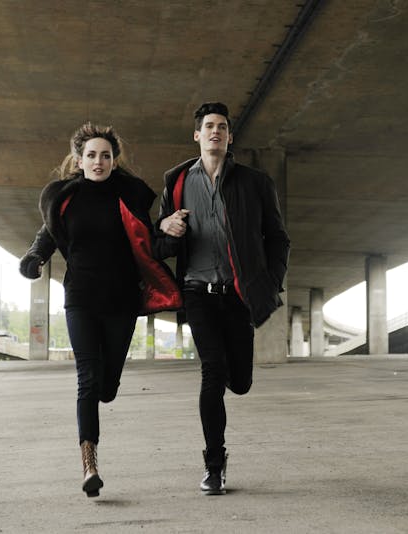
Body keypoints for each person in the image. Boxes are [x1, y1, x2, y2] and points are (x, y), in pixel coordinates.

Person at [19, 123, 182, 498]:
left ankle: (103, 401)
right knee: (88, 380)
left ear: (114, 159)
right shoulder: (65, 198)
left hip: (122, 302)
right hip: (80, 299)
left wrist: (170, 234)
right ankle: (89, 463)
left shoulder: (128, 196)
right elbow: (46, 234)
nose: (98, 161)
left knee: (106, 388)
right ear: (79, 160)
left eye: (105, 155)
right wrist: (34, 257)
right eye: (91, 155)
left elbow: (149, 239)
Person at [156, 102, 290, 495]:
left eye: (222, 127)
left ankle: (235, 376)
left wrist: (269, 282)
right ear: (196, 135)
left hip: (237, 294)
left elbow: (278, 238)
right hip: (197, 292)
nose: (215, 132)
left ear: (230, 137)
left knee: (241, 382)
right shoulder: (177, 181)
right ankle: (214, 465)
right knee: (212, 372)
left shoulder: (254, 183)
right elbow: (159, 243)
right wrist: (166, 227)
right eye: (208, 126)